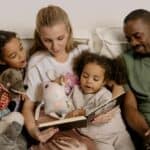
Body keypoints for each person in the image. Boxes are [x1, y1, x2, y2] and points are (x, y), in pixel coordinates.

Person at [22, 5, 96, 150]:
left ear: (68, 30)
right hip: (54, 122)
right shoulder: (37, 63)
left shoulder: (83, 52)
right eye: (47, 40)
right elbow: (27, 107)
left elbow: (103, 82)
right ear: (39, 36)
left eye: (60, 38)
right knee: (77, 147)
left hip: (81, 117)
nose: (55, 46)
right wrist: (34, 132)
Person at [69, 50, 135, 150]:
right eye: (85, 76)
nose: (89, 81)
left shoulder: (104, 93)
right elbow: (67, 109)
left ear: (104, 82)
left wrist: (83, 112)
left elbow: (105, 106)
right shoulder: (75, 92)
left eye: (95, 79)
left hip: (119, 134)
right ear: (80, 74)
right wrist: (71, 114)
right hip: (99, 140)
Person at [122, 9, 150, 149]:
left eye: (137, 36)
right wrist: (147, 134)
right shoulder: (126, 61)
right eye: (128, 39)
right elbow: (129, 107)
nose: (133, 43)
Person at [0, 30, 27, 149]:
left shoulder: (26, 67)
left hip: (14, 127)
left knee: (22, 144)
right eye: (13, 56)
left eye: (21, 48)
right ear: (1, 61)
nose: (21, 56)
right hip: (5, 119)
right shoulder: (5, 77)